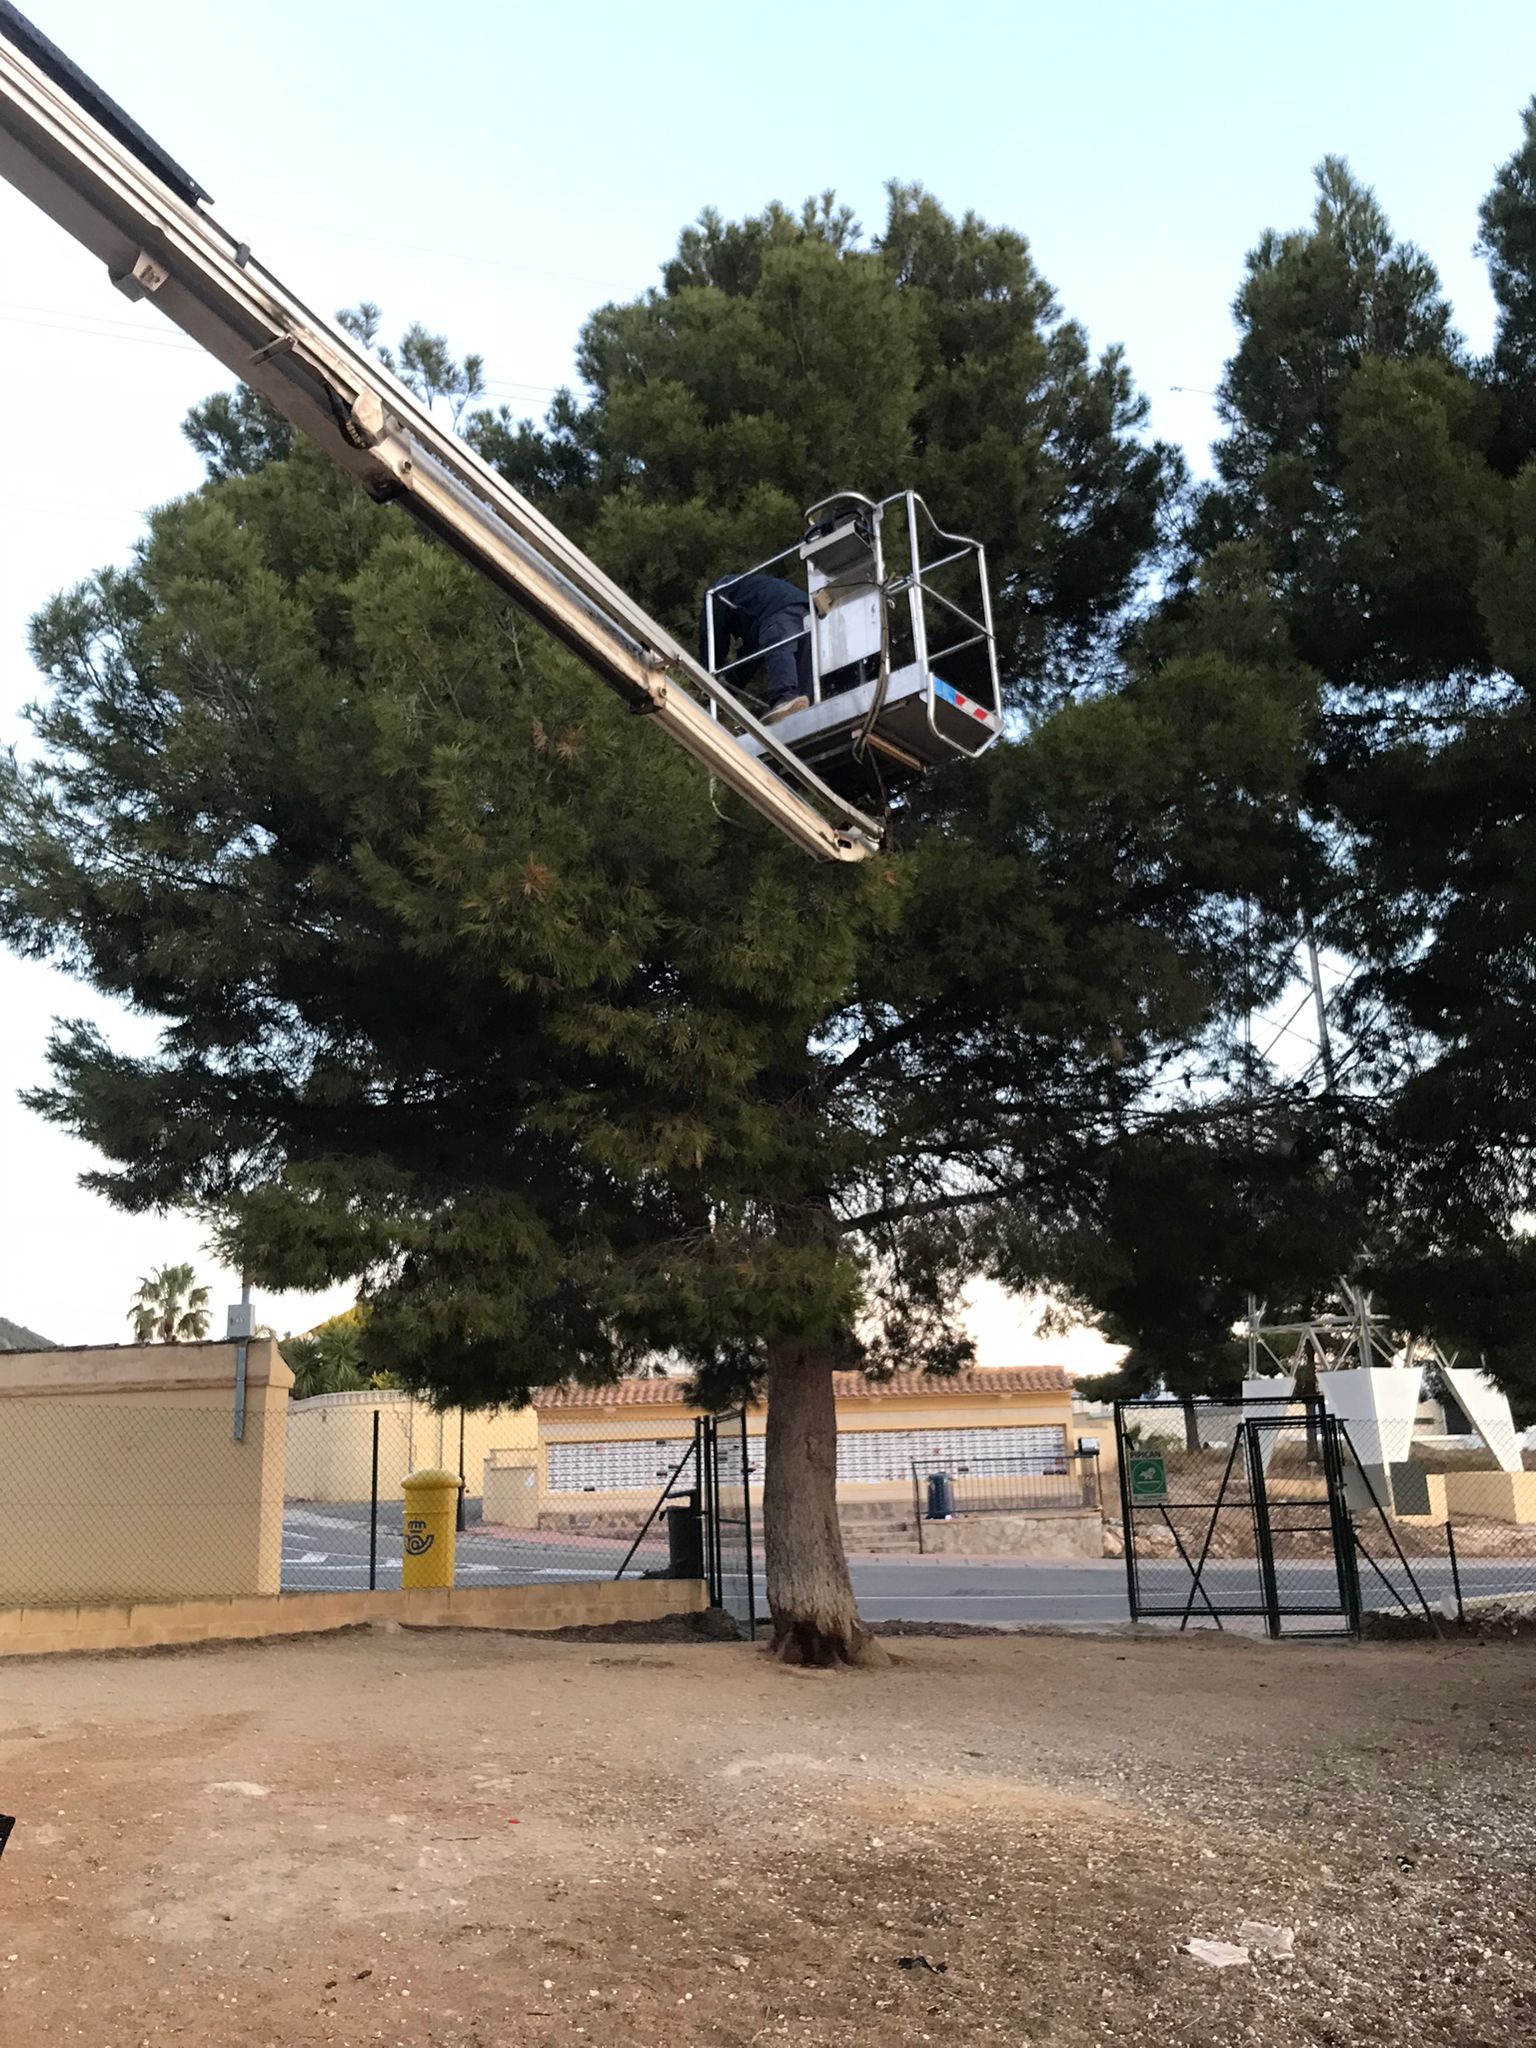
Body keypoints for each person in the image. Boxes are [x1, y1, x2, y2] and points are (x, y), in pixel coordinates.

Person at [698, 571, 811, 723]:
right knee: (802, 661)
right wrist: (727, 690)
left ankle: (784, 698)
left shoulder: (717, 592)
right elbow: (750, 659)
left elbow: (713, 634)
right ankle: (807, 707)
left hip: (777, 608)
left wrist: (708, 673)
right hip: (804, 607)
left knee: (779, 644)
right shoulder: (750, 600)